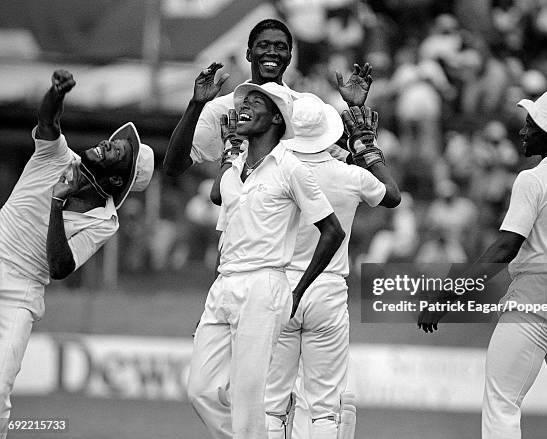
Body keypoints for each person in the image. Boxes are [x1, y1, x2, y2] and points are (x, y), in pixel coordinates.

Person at [418, 87, 547, 439]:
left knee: (502, 404)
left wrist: (447, 296)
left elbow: (506, 247)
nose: (522, 131)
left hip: (531, 303)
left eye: (530, 124)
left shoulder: (532, 180)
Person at [186, 76, 345, 439]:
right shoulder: (231, 169)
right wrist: (213, 295)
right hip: (225, 284)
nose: (244, 108)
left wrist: (298, 291)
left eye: (255, 104)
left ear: (276, 119)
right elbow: (226, 231)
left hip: (265, 284)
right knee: (201, 391)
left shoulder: (292, 168)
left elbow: (332, 231)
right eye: (244, 103)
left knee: (247, 398)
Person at [0, 70, 154, 439]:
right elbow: (47, 120)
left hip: (21, 293)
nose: (107, 144)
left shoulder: (106, 220)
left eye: (117, 151)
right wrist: (56, 93)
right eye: (113, 141)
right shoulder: (57, 156)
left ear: (117, 181)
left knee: (0, 391)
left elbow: (60, 267)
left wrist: (58, 201)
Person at [262, 93, 400, 439]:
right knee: (325, 407)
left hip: (281, 286)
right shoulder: (350, 174)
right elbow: (392, 195)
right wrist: (366, 146)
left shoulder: (274, 169)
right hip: (327, 289)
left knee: (273, 402)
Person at [163, 18, 371, 176]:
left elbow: (356, 170)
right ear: (248, 54)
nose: (271, 52)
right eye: (263, 46)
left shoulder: (305, 107)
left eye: (280, 47)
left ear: (289, 57)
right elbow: (173, 166)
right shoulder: (222, 109)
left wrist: (355, 108)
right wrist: (196, 104)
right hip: (241, 227)